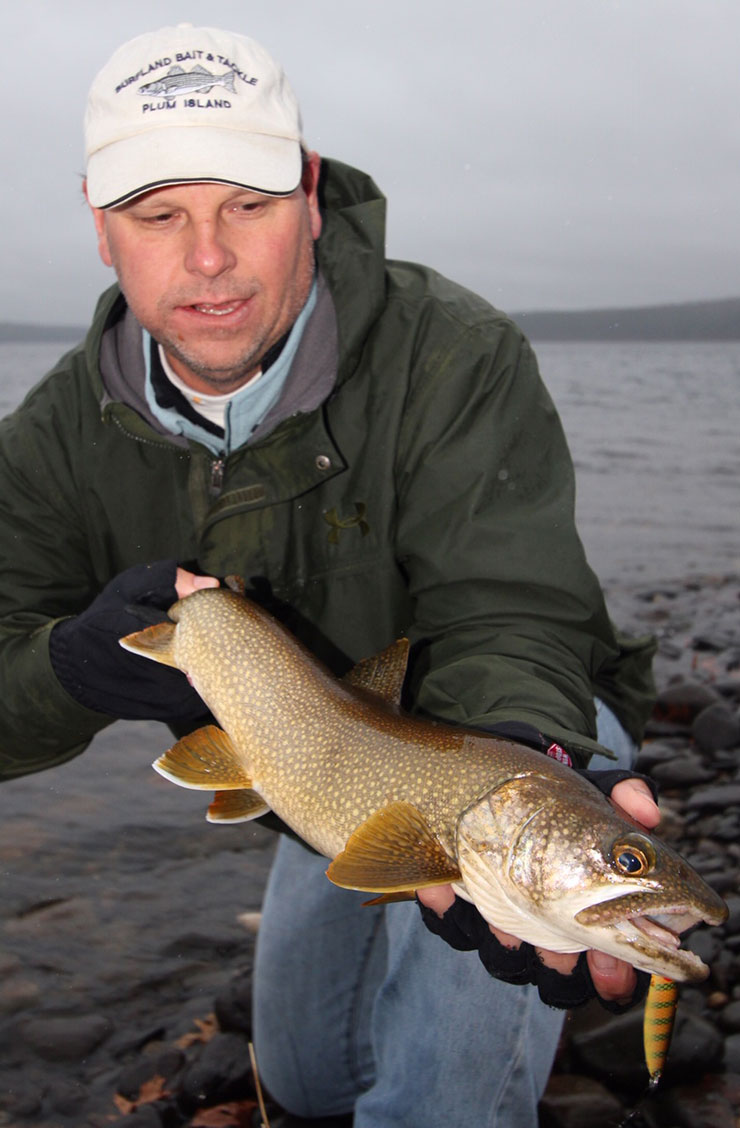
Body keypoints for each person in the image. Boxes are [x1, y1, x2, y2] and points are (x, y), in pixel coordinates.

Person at [0, 24, 658, 1128]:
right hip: (317, 767)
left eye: (246, 206)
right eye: (159, 215)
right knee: (305, 1080)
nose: (206, 258)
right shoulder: (54, 440)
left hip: (492, 738)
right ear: (102, 229)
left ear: (308, 194)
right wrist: (70, 670)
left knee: (428, 1092)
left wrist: (526, 777)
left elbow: (513, 610)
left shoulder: (453, 353)